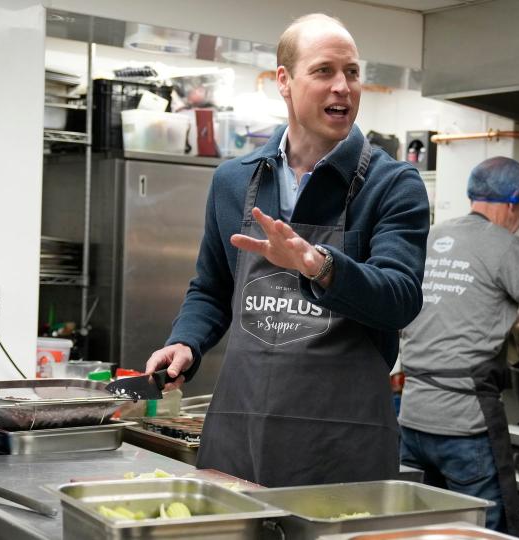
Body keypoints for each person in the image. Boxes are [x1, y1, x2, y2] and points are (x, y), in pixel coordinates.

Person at [145, 13, 430, 487]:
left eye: (352, 73)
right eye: (324, 71)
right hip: (241, 432)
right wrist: (185, 341)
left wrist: (318, 266)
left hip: (342, 445)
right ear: (284, 80)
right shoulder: (233, 181)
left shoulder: (392, 184)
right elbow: (212, 288)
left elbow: (401, 297)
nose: (343, 86)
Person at [398, 156, 519, 534]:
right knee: (482, 532)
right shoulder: (504, 246)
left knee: (421, 531)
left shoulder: (430, 236)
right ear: (513, 204)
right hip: (464, 426)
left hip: (411, 418)